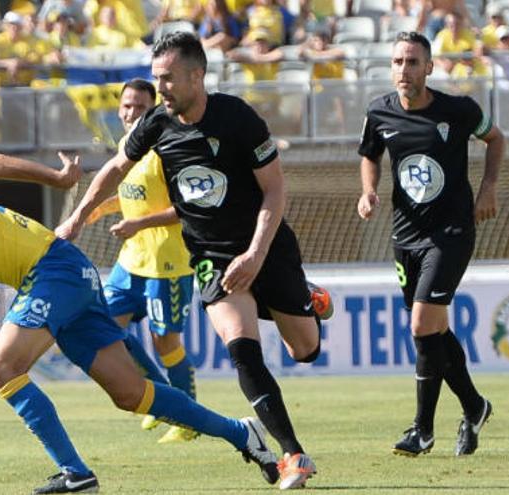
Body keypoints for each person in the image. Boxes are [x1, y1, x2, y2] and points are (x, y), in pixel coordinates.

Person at [0, 153, 280, 494]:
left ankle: (75, 472)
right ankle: (242, 433)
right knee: (130, 394)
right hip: (61, 280)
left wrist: (60, 180)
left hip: (54, 267)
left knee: (2, 370)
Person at [57, 31, 325, 490]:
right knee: (242, 349)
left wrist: (256, 255)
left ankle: (309, 299)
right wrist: (78, 217)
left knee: (305, 350)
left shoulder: (237, 118)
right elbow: (115, 168)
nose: (160, 88)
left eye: (168, 78)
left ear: (197, 76)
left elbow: (275, 189)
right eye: (157, 77)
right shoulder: (156, 124)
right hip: (212, 257)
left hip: (265, 246)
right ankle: (293, 455)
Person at [357, 31, 502, 457]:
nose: (405, 69)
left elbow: (496, 138)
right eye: (399, 62)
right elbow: (370, 153)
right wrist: (368, 190)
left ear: (430, 67)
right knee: (433, 330)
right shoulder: (378, 112)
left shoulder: (458, 110)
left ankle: (422, 430)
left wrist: (489, 188)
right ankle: (474, 406)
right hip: (406, 236)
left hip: (451, 232)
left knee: (422, 324)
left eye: (413, 62)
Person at [85, 78, 199, 444]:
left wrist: (139, 223)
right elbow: (139, 195)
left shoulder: (167, 149)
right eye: (126, 106)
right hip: (130, 261)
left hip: (166, 262)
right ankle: (160, 399)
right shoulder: (125, 146)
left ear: (151, 110)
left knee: (164, 341)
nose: (131, 113)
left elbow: (185, 207)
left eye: (138, 107)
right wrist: (109, 206)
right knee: (102, 326)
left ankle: (189, 419)